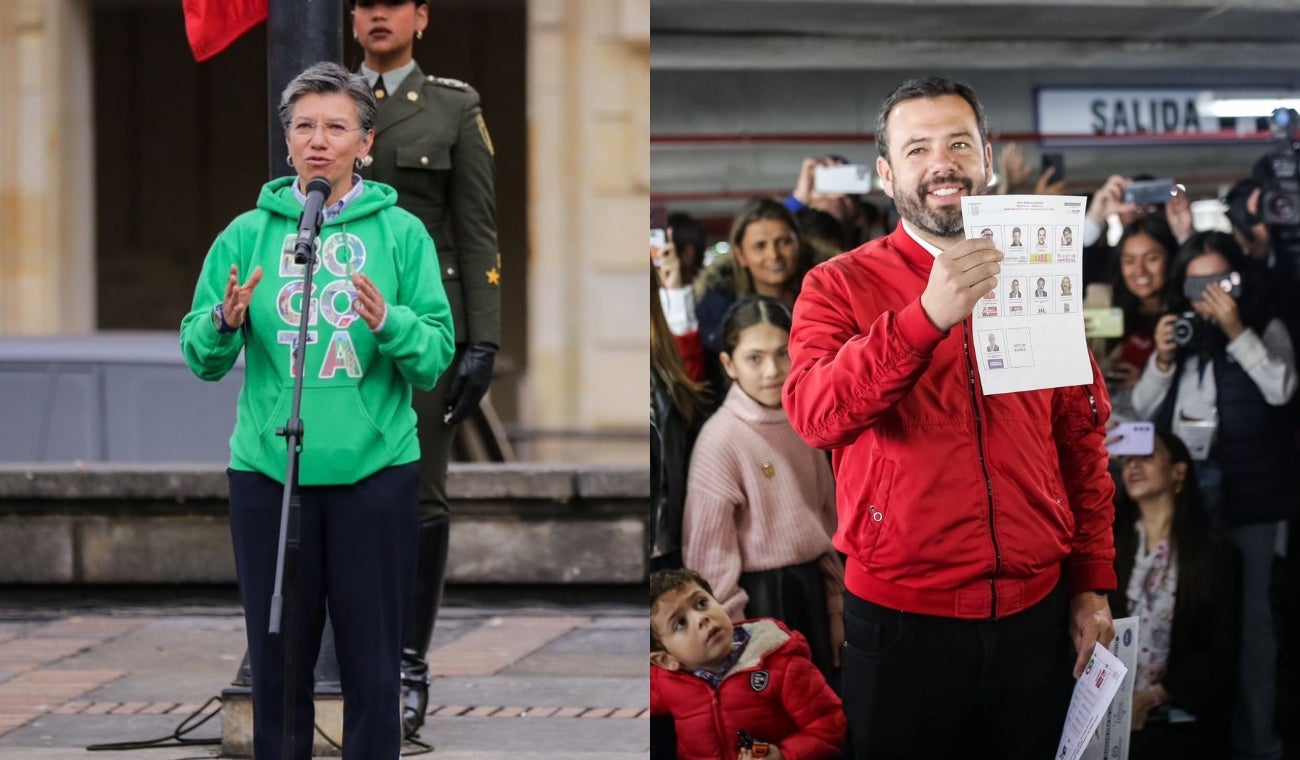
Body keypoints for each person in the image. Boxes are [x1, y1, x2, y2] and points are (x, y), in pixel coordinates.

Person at [783, 76, 1116, 759]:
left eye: (960, 144)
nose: (943, 163)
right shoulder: (838, 284)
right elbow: (815, 416)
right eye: (918, 149)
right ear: (886, 173)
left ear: (987, 158)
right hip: (902, 625)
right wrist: (923, 319)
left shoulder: (1035, 272)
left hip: (1036, 616)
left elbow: (1079, 440)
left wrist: (1092, 583)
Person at [179, 62, 455, 759]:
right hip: (271, 476)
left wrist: (389, 320)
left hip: (376, 475)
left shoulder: (402, 235)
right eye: (305, 126)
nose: (319, 141)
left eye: (336, 127)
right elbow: (200, 356)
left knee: (372, 667)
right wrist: (223, 319)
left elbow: (433, 357)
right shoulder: (247, 234)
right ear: (288, 141)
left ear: (366, 143)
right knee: (277, 667)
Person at [350, 0, 500, 737]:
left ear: (421, 17)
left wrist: (483, 340)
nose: (378, 15)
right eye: (364, 4)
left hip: (425, 326)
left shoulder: (451, 107)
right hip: (339, 323)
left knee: (419, 495)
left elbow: (476, 230)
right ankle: (349, 661)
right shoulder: (329, 100)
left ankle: (408, 666)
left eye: (392, 3)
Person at [1130, 231, 1297, 760]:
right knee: (1193, 624)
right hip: (1189, 500)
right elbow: (1138, 414)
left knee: (1253, 631)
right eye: (1196, 283)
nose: (1208, 294)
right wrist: (1162, 359)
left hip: (1252, 500)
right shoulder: (1179, 332)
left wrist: (1235, 329)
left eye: (1221, 281)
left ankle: (1257, 745)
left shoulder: (1263, 326)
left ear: (1240, 280)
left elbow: (1281, 388)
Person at [683, 295, 843, 679]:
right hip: (759, 602)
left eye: (782, 353)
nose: (772, 370)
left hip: (813, 591)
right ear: (729, 364)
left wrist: (837, 605)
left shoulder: (805, 423)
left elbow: (827, 518)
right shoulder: (721, 438)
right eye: (754, 358)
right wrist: (734, 635)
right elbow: (710, 555)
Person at [1111, 430, 1242, 760]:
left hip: (1179, 725)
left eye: (1146, 455)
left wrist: (1153, 697)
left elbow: (1220, 652)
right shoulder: (1109, 548)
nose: (1133, 465)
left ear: (1178, 471)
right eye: (1127, 459)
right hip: (1108, 720)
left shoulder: (1215, 554)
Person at [649, 568, 847, 760]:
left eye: (701, 603)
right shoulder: (664, 681)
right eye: (680, 623)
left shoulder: (781, 663)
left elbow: (831, 724)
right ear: (665, 660)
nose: (702, 618)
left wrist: (783, 755)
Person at [694, 198, 812, 400]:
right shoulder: (716, 311)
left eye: (784, 242)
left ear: (798, 244)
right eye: (760, 246)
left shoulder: (827, 299)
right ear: (740, 255)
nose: (773, 255)